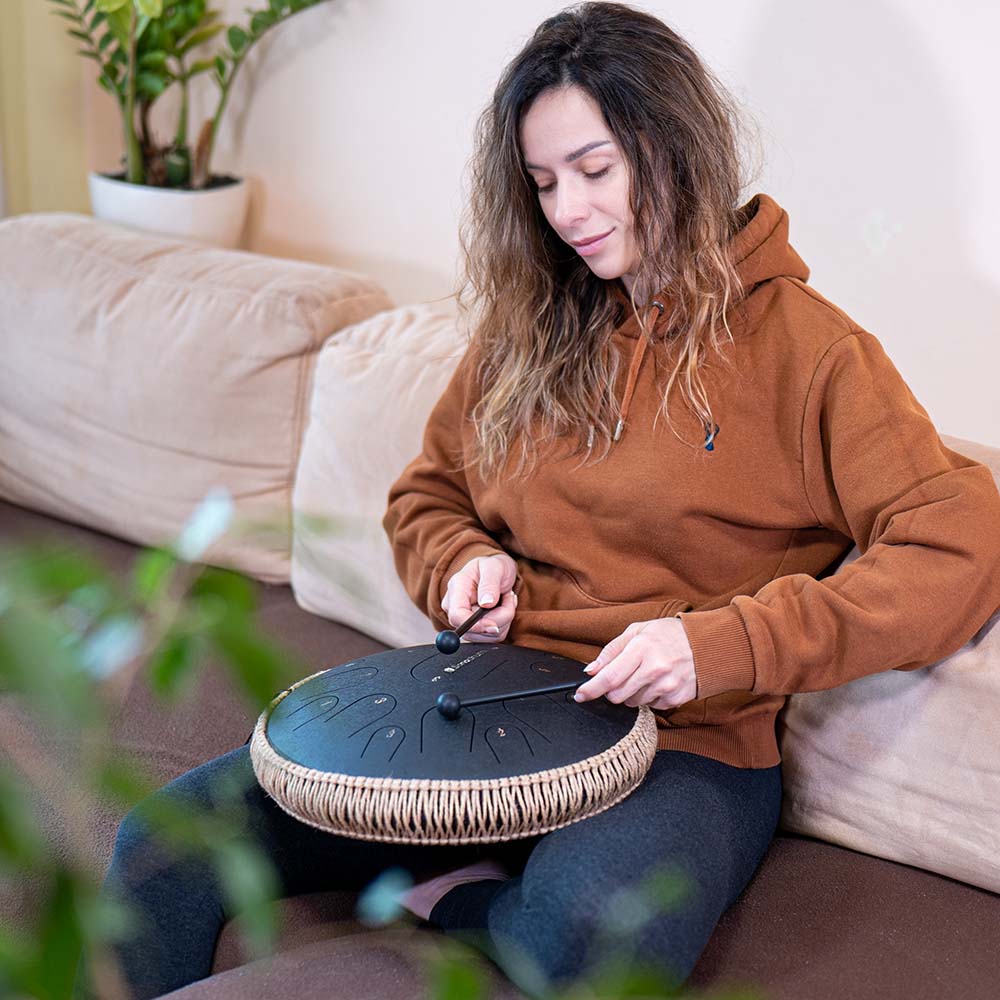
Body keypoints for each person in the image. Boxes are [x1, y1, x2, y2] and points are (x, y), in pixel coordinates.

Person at [78, 3, 1000, 998]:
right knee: (159, 848)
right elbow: (427, 493)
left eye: (594, 171)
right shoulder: (532, 325)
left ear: (673, 146)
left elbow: (961, 541)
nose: (566, 211)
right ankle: (471, 889)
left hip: (680, 746)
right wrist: (459, 562)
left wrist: (721, 643)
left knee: (593, 935)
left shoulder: (808, 352)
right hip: (482, 709)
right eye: (544, 182)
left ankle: (459, 901)